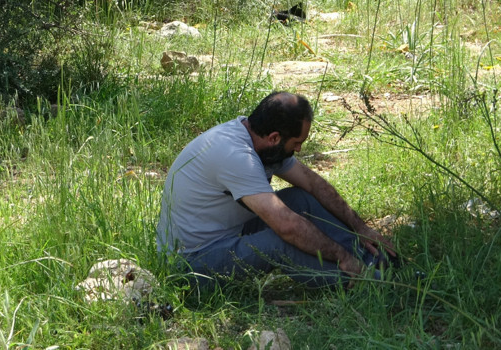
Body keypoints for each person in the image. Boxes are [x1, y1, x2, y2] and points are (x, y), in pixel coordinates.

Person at [156, 91, 398, 288]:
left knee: (300, 198)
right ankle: (368, 283)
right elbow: (287, 227)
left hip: (230, 232)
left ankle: (378, 261)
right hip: (191, 262)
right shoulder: (234, 155)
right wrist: (341, 257)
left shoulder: (259, 140)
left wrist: (360, 227)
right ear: (274, 138)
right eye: (297, 144)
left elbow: (312, 183)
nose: (300, 150)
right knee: (279, 241)